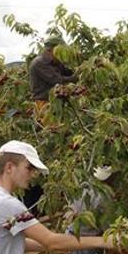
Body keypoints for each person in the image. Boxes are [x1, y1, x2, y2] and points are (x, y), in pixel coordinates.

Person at [24, 35, 77, 215]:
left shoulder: (55, 62)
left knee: (63, 140)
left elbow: (67, 72)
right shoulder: (39, 63)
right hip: (44, 107)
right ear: (51, 49)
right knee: (53, 140)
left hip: (56, 106)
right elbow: (59, 81)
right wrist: (79, 77)